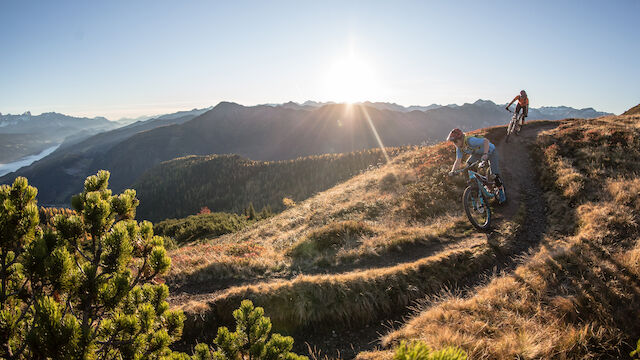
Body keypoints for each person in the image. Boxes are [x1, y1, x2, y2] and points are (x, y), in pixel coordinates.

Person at [446, 128, 506, 203]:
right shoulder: (459, 148)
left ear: (461, 138)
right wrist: (452, 171)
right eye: (453, 142)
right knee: (467, 167)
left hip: (490, 151)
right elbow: (458, 160)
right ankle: (482, 184)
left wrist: (485, 154)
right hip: (477, 154)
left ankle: (501, 191)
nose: (454, 144)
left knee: (494, 174)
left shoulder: (470, 141)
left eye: (455, 141)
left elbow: (486, 141)